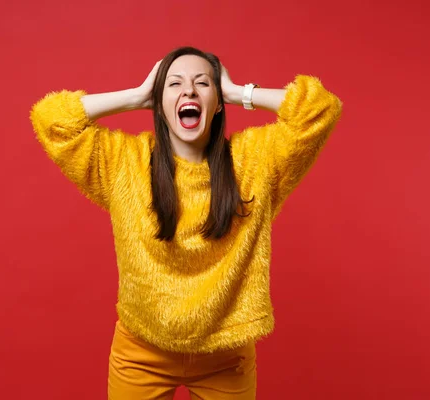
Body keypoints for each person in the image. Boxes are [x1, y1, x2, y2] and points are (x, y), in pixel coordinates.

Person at [30, 46, 342, 399]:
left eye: (203, 84)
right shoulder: (123, 163)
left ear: (218, 100)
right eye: (174, 84)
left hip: (226, 355)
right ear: (159, 103)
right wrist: (136, 96)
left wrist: (241, 92)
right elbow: (51, 119)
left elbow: (320, 109)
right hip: (141, 353)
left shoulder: (255, 161)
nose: (189, 91)